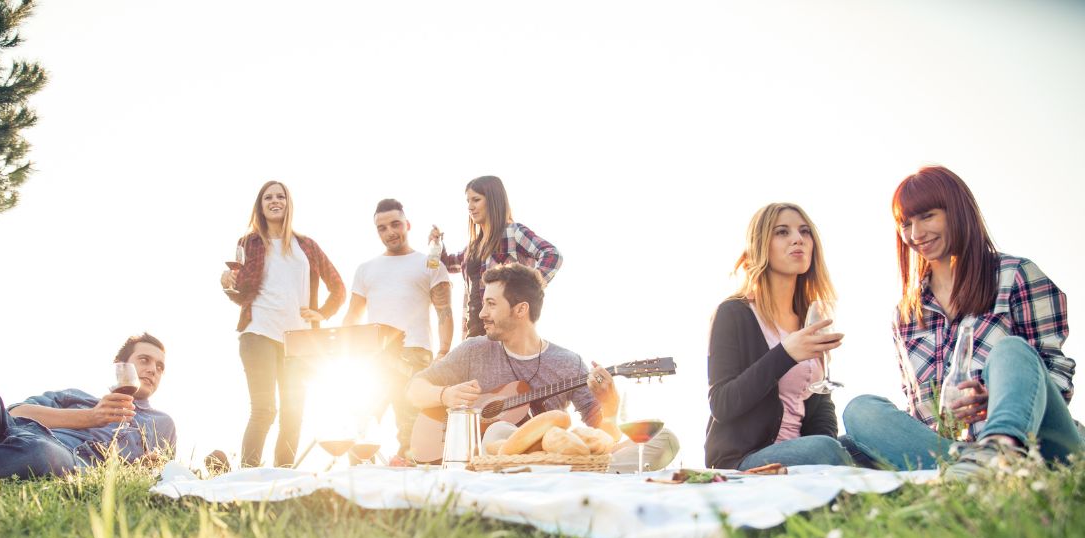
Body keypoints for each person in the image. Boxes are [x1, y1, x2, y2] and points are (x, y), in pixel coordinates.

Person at [842, 165, 1080, 477]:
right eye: (906, 223)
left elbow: (1056, 377)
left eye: (927, 216)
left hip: (1041, 444)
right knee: (859, 410)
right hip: (949, 449)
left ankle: (1000, 451)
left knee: (1010, 350)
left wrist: (996, 398)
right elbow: (919, 409)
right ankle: (974, 466)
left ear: (957, 211)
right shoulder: (906, 314)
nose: (915, 234)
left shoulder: (1015, 274)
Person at [406, 263, 678, 472]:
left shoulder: (568, 363)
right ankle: (554, 475)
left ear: (520, 310)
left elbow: (601, 442)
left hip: (554, 461)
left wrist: (610, 408)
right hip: (489, 460)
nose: (481, 313)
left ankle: (556, 474)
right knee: (498, 431)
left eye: (491, 304)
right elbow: (414, 389)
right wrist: (445, 396)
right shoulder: (473, 350)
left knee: (664, 440)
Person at [0, 333, 175, 479]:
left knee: (43, 451)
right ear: (122, 366)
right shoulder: (74, 395)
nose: (153, 370)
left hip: (61, 458)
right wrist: (91, 416)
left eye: (160, 367)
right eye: (145, 360)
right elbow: (17, 413)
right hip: (5, 431)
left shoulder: (161, 423)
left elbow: (161, 471)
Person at [704, 203, 851, 470]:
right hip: (748, 458)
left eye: (805, 232)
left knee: (864, 433)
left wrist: (826, 449)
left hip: (805, 451)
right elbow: (721, 403)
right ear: (761, 246)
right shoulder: (734, 313)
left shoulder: (809, 317)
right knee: (827, 450)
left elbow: (819, 402)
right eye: (782, 232)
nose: (798, 239)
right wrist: (785, 354)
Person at [220, 180, 345, 467]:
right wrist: (226, 283)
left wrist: (323, 313)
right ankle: (247, 477)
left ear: (288, 203)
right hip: (258, 333)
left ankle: (283, 479)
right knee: (264, 410)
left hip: (299, 342)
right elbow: (240, 293)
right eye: (268, 198)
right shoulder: (249, 243)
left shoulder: (307, 246)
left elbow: (338, 287)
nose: (275, 201)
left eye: (280, 196)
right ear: (260, 206)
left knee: (293, 414)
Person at [342, 198, 453, 457]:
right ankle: (357, 486)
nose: (390, 232)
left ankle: (414, 488)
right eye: (382, 228)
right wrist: (344, 351)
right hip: (373, 357)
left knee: (412, 430)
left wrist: (444, 352)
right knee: (359, 427)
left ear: (407, 224)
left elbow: (444, 312)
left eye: (395, 224)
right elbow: (352, 316)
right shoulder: (366, 269)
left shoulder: (430, 264)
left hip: (415, 354)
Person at [430, 175, 562, 339]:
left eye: (476, 200)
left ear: (493, 201)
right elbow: (447, 264)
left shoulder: (513, 233)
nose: (470, 207)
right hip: (473, 333)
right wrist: (437, 244)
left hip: (505, 331)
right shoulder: (472, 247)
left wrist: (527, 289)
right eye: (468, 201)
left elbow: (552, 254)